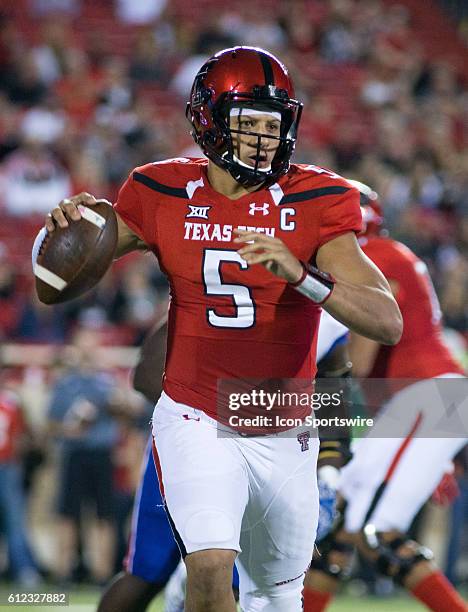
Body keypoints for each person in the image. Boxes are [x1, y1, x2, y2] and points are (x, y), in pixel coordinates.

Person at [41, 46, 401, 611]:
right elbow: (58, 280)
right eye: (248, 122)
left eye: (273, 123)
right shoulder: (158, 190)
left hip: (283, 424)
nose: (264, 137)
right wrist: (66, 232)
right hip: (196, 414)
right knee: (207, 571)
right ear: (208, 121)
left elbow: (388, 320)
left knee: (276, 599)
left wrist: (303, 275)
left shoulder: (318, 197)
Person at [97, 308, 351, 612]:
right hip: (192, 446)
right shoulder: (221, 295)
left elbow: (334, 392)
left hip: (271, 457)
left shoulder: (328, 317)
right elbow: (146, 374)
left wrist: (329, 470)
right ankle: (182, 586)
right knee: (146, 575)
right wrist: (216, 416)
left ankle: (184, 589)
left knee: (240, 579)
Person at [303, 182, 468, 612]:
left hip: (425, 398)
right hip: (425, 402)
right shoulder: (390, 254)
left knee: (378, 532)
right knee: (340, 526)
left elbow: (360, 354)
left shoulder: (370, 258)